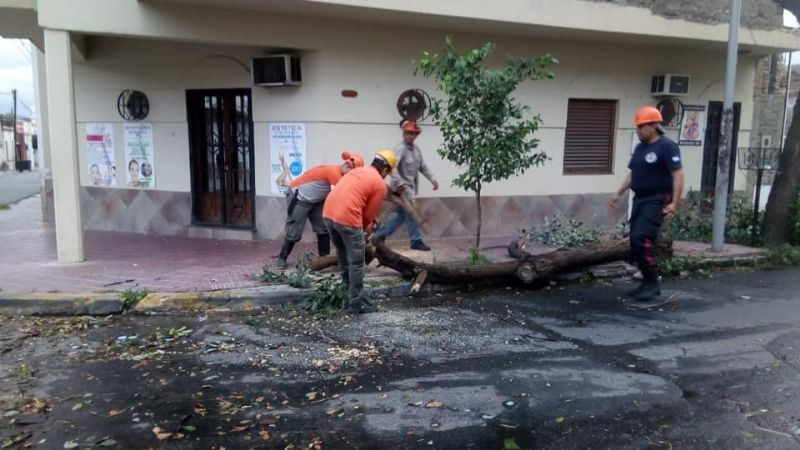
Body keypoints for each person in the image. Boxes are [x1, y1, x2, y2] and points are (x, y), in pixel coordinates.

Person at [609, 106, 684, 303]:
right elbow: (633, 174)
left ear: (653, 126)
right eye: (637, 127)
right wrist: (618, 193)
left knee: (641, 237)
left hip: (658, 198)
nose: (638, 131)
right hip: (640, 199)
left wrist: (675, 203)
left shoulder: (667, 146)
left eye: (641, 127)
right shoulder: (641, 148)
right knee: (635, 241)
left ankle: (652, 282)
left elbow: (677, 174)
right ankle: (646, 281)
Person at [323, 150, 395, 314]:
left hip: (328, 214)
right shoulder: (379, 183)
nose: (386, 176)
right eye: (387, 173)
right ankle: (355, 303)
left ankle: (346, 291)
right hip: (347, 218)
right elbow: (368, 215)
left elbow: (354, 197)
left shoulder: (356, 171)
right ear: (385, 170)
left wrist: (364, 224)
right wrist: (365, 230)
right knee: (356, 262)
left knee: (342, 255)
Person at [273, 151, 365, 269]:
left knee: (323, 229)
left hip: (315, 200)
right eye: (346, 164)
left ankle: (324, 260)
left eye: (350, 167)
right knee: (294, 231)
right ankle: (282, 258)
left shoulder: (342, 178)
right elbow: (340, 198)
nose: (347, 166)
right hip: (299, 197)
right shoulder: (334, 173)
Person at [373, 120, 439, 251]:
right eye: (408, 133)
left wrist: (432, 179)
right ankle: (416, 240)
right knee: (411, 213)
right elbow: (392, 168)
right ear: (403, 134)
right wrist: (400, 183)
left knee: (400, 216)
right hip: (401, 189)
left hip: (410, 187)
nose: (410, 135)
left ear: (416, 135)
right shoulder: (400, 148)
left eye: (413, 133)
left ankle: (379, 235)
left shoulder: (416, 149)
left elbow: (422, 166)